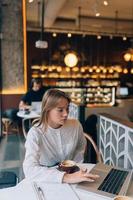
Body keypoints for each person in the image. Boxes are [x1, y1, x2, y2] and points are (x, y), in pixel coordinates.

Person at [23, 89, 99, 184]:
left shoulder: (75, 125)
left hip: (74, 176)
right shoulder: (35, 133)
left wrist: (76, 167)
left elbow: (81, 147)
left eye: (67, 108)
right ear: (47, 110)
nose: (66, 114)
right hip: (46, 179)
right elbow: (29, 169)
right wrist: (66, 177)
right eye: (60, 110)